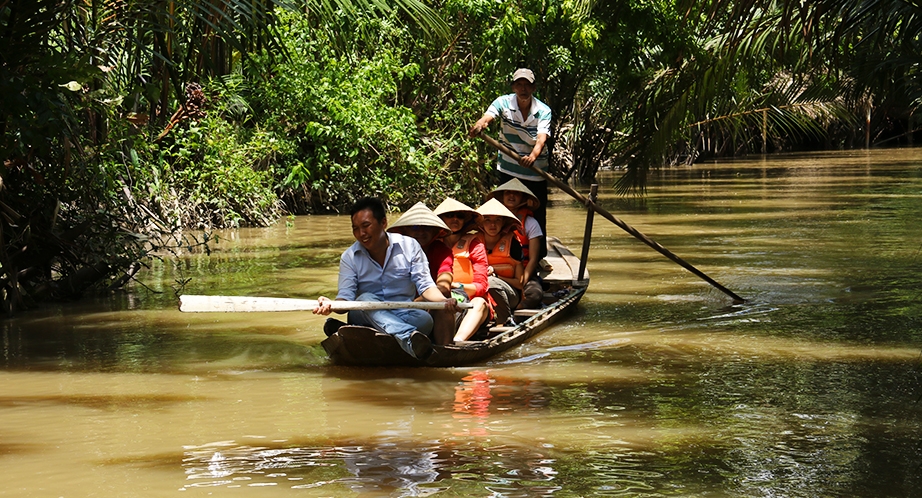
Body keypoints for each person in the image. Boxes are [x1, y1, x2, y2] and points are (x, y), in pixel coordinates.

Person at [312, 197, 459, 359]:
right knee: (366, 299)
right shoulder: (350, 257)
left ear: (383, 223)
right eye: (356, 228)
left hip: (404, 313)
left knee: (425, 319)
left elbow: (426, 286)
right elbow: (346, 299)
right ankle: (408, 338)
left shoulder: (410, 247)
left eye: (366, 226)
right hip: (364, 314)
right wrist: (330, 305)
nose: (361, 234)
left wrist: (443, 301)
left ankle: (366, 332)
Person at [468, 67, 551, 260]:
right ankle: (506, 252)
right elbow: (488, 117)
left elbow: (541, 138)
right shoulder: (503, 102)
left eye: (527, 85)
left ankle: (538, 257)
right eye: (519, 84)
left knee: (537, 212)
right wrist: (480, 125)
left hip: (535, 169)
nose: (523, 89)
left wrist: (532, 156)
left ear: (533, 88)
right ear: (514, 86)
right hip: (509, 166)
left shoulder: (543, 110)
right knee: (503, 211)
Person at [386, 202, 455, 345]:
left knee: (444, 300)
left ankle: (445, 350)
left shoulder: (442, 251)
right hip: (398, 307)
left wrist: (416, 302)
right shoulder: (393, 251)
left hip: (426, 307)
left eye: (427, 228)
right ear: (404, 231)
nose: (421, 232)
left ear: (435, 232)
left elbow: (444, 286)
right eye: (415, 227)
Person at [433, 198, 492, 343]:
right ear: (441, 219)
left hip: (468, 302)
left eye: (459, 216)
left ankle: (458, 341)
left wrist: (456, 286)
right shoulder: (433, 244)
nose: (455, 219)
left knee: (480, 302)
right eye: (450, 215)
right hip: (439, 299)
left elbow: (481, 287)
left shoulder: (474, 244)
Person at [487, 178, 545, 309]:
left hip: (523, 272)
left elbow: (533, 260)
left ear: (523, 198)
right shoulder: (491, 222)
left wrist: (522, 281)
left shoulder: (530, 223)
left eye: (516, 193)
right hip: (493, 272)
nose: (511, 196)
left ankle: (516, 310)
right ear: (502, 197)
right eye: (507, 192)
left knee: (534, 294)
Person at [475, 198, 525, 326]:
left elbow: (520, 283)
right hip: (479, 292)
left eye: (497, 220)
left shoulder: (512, 243)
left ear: (503, 223)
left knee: (490, 282)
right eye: (488, 220)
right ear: (481, 223)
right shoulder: (473, 241)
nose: (493, 225)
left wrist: (496, 275)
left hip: (510, 294)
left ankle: (505, 320)